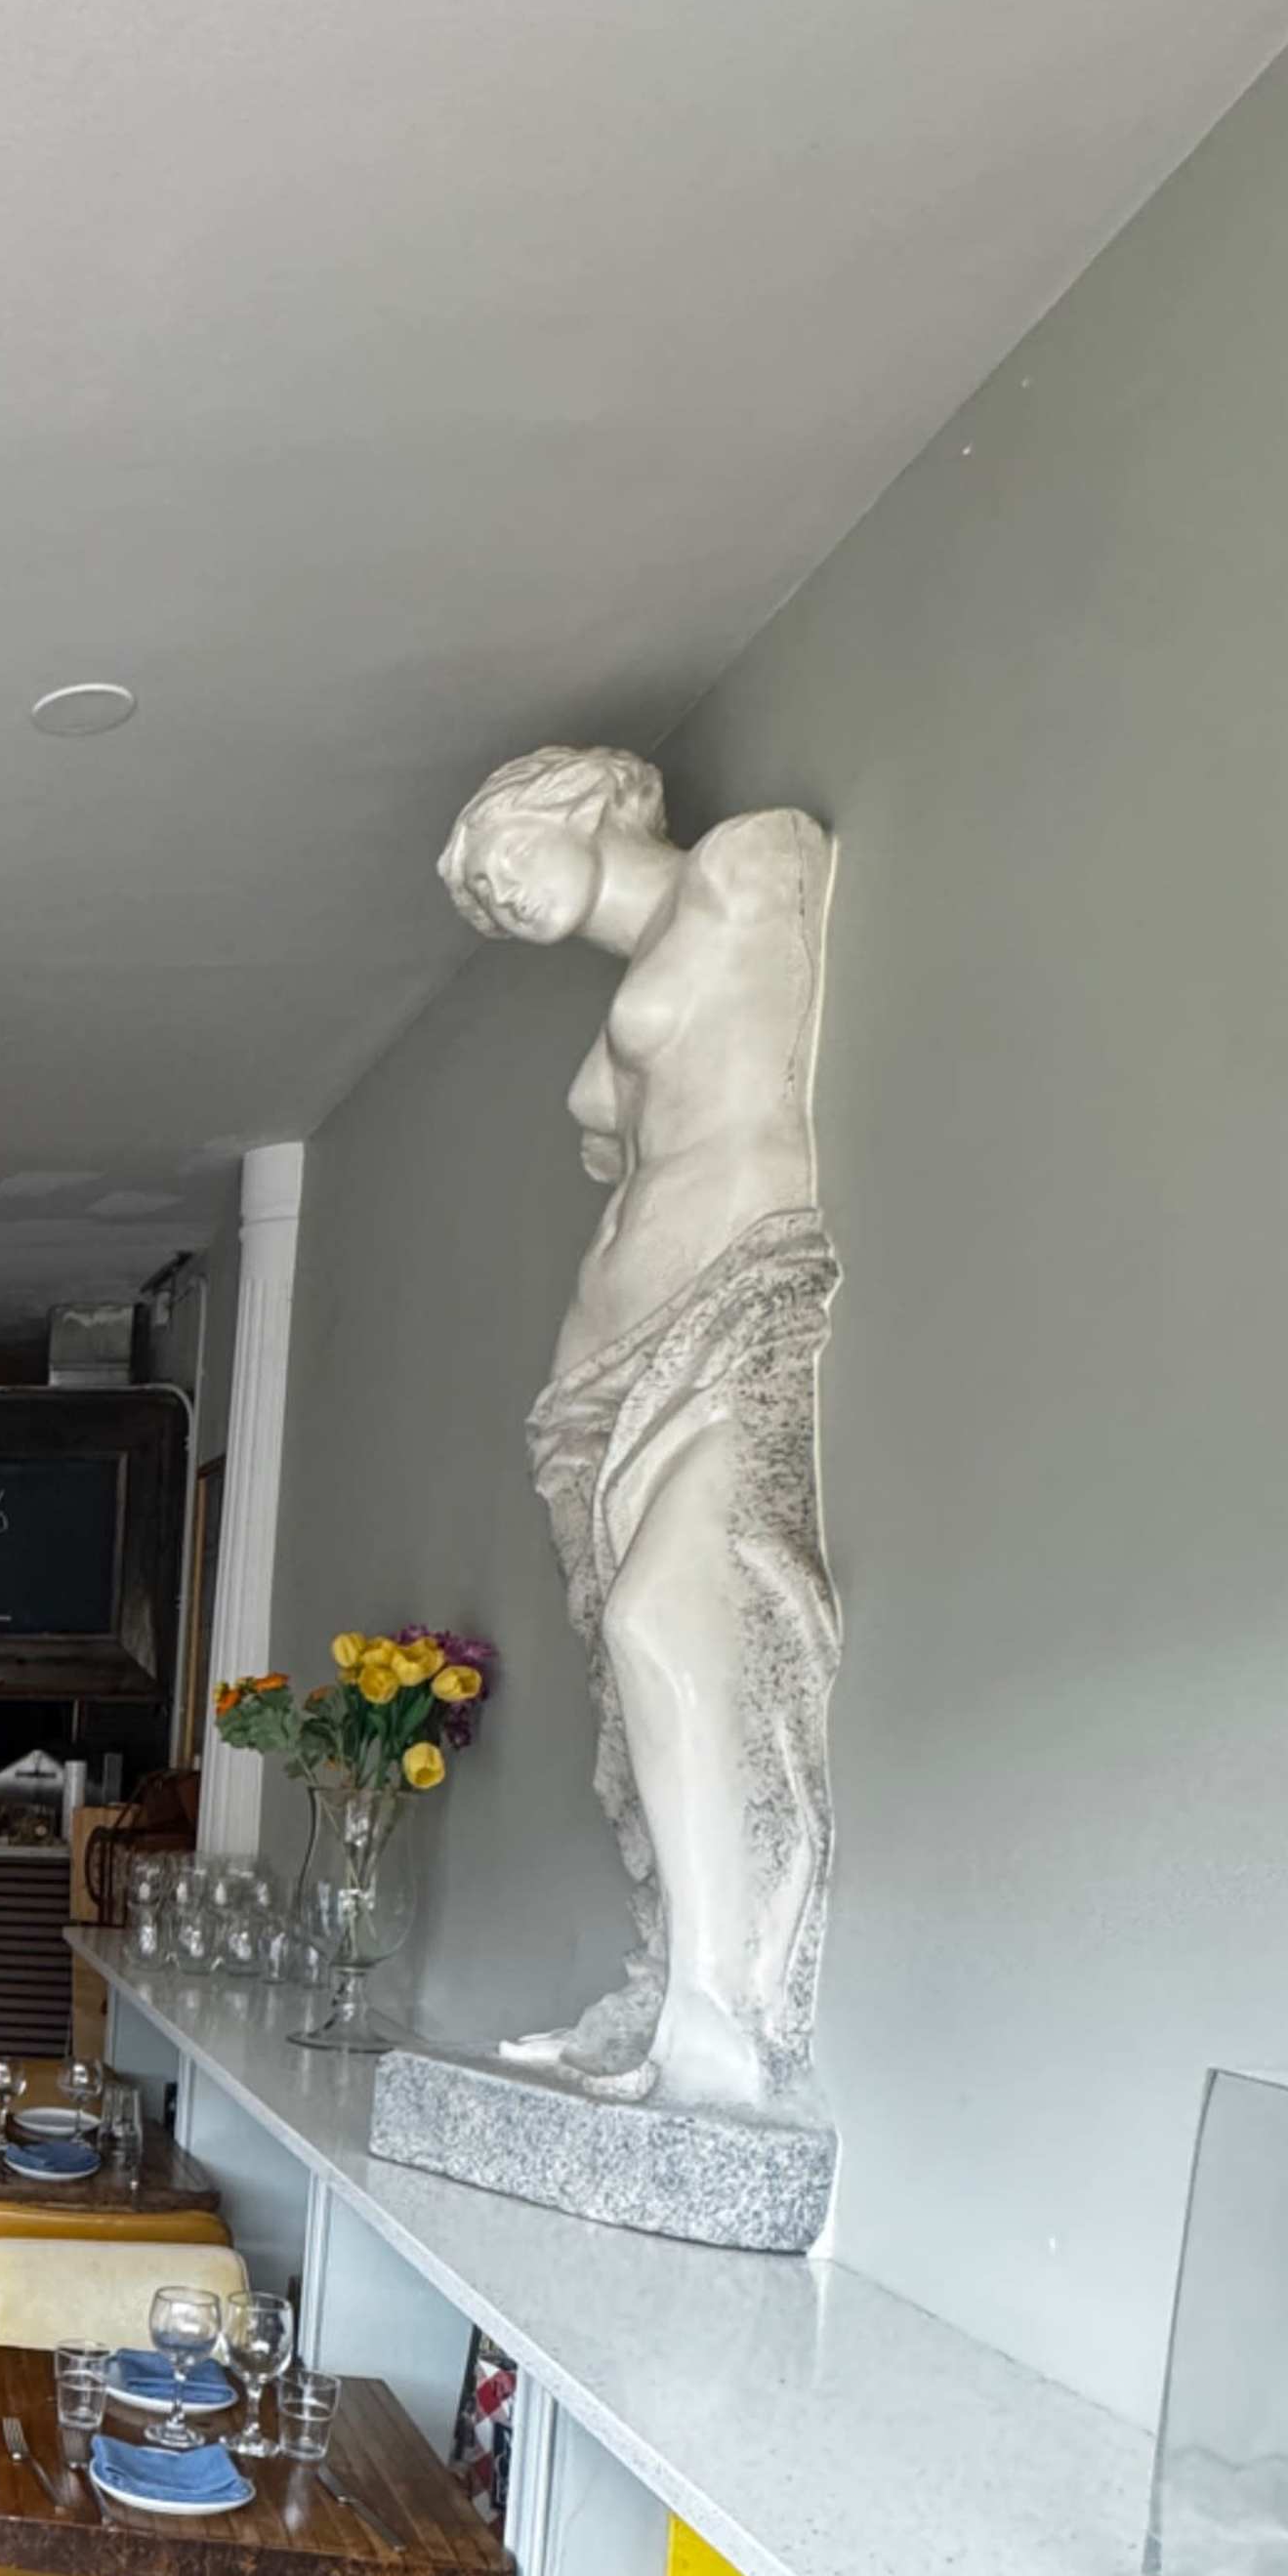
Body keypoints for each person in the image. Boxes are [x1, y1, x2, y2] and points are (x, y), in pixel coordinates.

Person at [437, 744, 841, 2122]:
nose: (489, 896)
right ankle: (668, 1963)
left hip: (727, 1303)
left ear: (582, 799)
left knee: (673, 1619)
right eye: (477, 896)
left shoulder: (750, 864)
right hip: (597, 1368)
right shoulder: (627, 997)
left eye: (494, 858)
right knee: (630, 1675)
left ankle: (721, 2015)